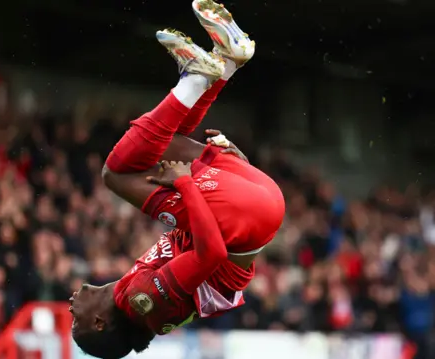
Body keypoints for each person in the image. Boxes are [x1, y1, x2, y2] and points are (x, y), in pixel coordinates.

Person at [71, 1, 285, 358]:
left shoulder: (134, 295)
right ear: (99, 323)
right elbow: (212, 251)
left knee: (161, 146)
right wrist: (185, 183)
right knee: (115, 174)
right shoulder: (145, 303)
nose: (70, 308)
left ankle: (226, 61)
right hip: (241, 221)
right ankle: (200, 76)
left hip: (259, 205)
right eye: (74, 321)